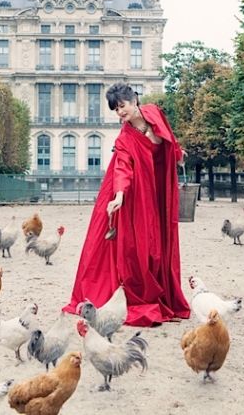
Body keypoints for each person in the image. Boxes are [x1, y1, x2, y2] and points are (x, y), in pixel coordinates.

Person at [63, 82, 190, 326]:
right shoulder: (124, 137)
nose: (120, 112)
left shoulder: (154, 113)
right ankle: (138, 290)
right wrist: (119, 194)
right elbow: (123, 166)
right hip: (136, 192)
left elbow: (169, 138)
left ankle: (161, 289)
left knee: (161, 240)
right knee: (141, 245)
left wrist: (177, 153)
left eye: (122, 106)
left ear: (134, 101)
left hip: (158, 186)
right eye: (115, 109)